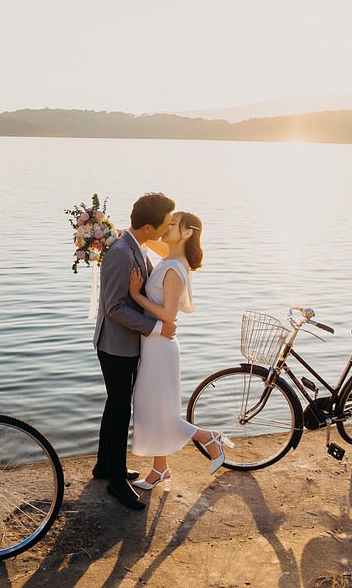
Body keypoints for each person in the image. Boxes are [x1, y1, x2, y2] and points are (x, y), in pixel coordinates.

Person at [128, 211, 232, 491]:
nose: (166, 226)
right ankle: (159, 469)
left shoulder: (174, 268)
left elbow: (169, 315)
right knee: (155, 407)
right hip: (154, 344)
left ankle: (209, 437)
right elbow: (145, 239)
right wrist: (114, 232)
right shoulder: (171, 256)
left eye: (173, 224)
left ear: (186, 233)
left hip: (160, 348)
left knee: (155, 410)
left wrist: (136, 295)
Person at [93, 192, 176, 511]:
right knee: (120, 409)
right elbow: (114, 307)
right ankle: (116, 481)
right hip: (116, 345)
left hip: (126, 343)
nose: (168, 226)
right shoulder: (120, 252)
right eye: (166, 222)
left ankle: (104, 465)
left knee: (115, 404)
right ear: (148, 226)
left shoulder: (135, 244)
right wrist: (156, 327)